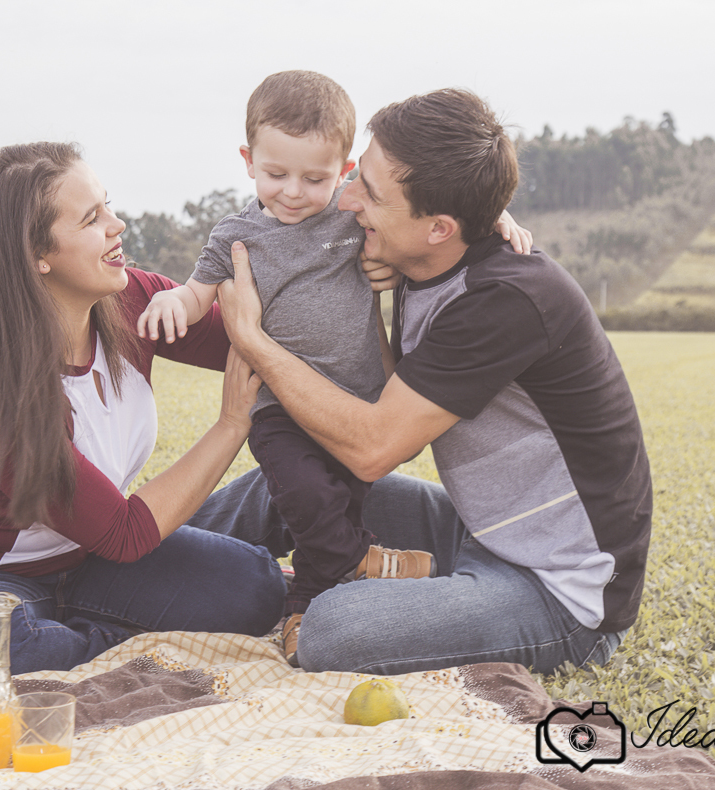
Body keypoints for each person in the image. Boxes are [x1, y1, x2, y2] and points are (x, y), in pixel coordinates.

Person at [210, 88, 653, 676]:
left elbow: (374, 449)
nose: (345, 200)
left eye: (368, 192)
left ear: (439, 227)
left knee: (333, 632)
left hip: (559, 592)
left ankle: (310, 585)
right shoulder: (424, 257)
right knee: (288, 483)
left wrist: (254, 341)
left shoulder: (504, 300)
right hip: (479, 532)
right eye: (356, 178)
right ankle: (133, 562)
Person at [136, 71, 529, 666]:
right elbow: (197, 294)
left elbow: (429, 222)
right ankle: (359, 561)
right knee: (302, 495)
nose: (294, 191)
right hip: (277, 405)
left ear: (344, 169)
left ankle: (307, 602)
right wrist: (172, 301)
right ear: (248, 160)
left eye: (315, 177)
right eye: (277, 174)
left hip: (356, 403)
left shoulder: (351, 221)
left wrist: (491, 220)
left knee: (340, 504)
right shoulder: (236, 235)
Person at [0, 141, 286, 675]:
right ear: (37, 256)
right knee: (17, 648)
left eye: (108, 205)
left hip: (88, 563)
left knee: (253, 589)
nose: (117, 224)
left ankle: (89, 638)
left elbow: (255, 346)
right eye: (91, 218)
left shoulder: (132, 302)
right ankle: (105, 643)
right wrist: (231, 423)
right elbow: (125, 533)